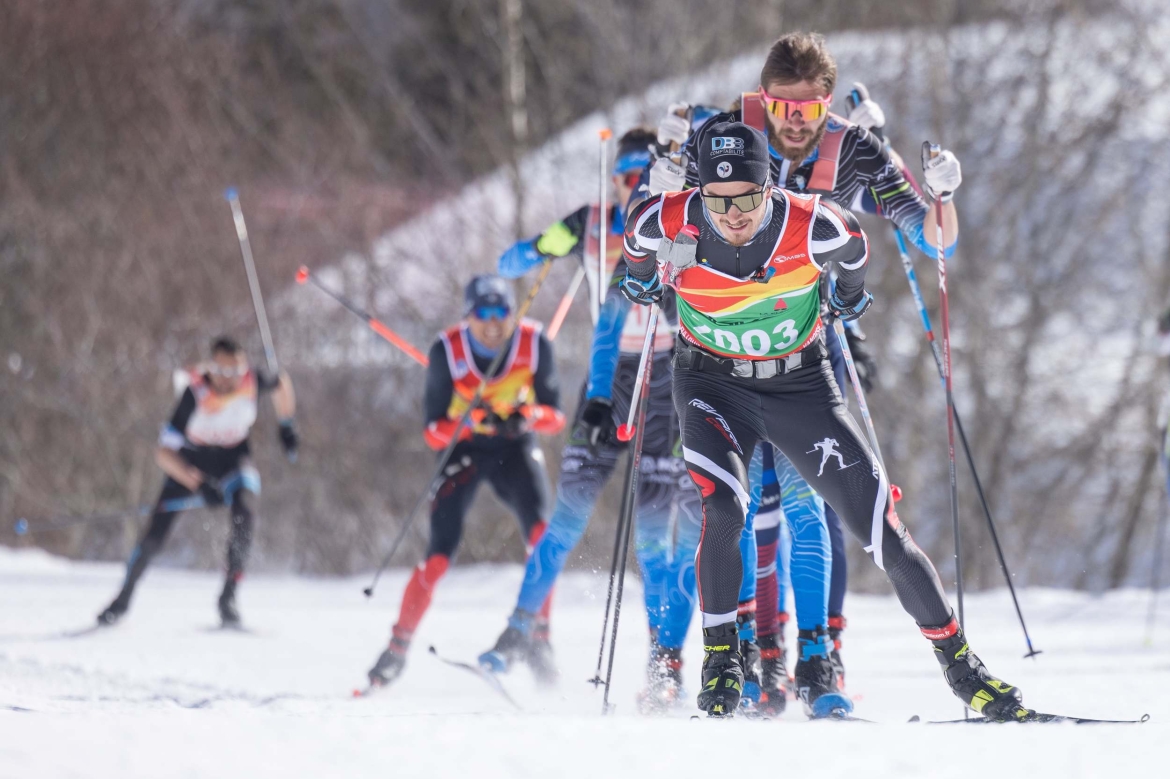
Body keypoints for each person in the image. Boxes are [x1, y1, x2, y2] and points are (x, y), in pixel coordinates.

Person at [620, 120, 1024, 720]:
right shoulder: (665, 218)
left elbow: (857, 251)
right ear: (701, 190)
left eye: (748, 198)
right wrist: (644, 279)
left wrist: (847, 296)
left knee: (881, 526)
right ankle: (722, 658)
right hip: (710, 385)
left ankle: (965, 671)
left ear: (769, 189)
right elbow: (634, 249)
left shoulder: (814, 223)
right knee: (727, 508)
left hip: (800, 386)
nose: (732, 215)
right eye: (718, 200)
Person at [648, 31, 945, 695]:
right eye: (779, 109)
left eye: (807, 112)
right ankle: (719, 652)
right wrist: (661, 169)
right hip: (723, 341)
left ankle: (818, 656)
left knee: (811, 502)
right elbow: (661, 216)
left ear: (827, 104)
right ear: (761, 100)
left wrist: (940, 196)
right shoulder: (726, 137)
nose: (792, 124)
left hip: (814, 335)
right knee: (730, 507)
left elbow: (925, 233)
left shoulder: (852, 148)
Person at [482, 127, 704, 710]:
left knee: (658, 533)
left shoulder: (676, 217)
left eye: (643, 175)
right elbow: (514, 260)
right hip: (608, 379)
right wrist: (541, 248)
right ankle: (518, 629)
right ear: (615, 177)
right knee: (567, 516)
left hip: (666, 380)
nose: (634, 185)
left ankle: (664, 664)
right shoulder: (590, 222)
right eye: (626, 176)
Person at [367, 275, 566, 688]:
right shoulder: (448, 350)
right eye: (482, 313)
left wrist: (525, 417)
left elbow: (555, 415)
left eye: (501, 313)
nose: (492, 323)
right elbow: (432, 431)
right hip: (464, 450)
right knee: (439, 556)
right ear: (468, 315)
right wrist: (473, 419)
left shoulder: (534, 344)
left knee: (543, 536)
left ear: (513, 313)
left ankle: (538, 638)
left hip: (514, 446)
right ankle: (396, 648)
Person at [97, 336, 298, 628]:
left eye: (235, 371)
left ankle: (228, 595)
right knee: (155, 535)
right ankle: (123, 597)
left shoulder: (251, 381)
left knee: (246, 512)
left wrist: (287, 425)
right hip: (191, 461)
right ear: (210, 367)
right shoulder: (194, 394)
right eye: (221, 370)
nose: (228, 379)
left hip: (233, 457)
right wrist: (198, 484)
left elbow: (281, 384)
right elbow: (163, 454)